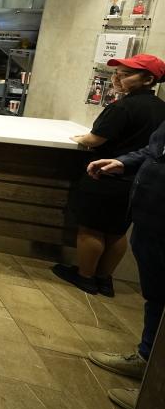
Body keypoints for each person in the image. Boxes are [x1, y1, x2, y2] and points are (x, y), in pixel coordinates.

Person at [55, 54, 165, 296]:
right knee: (116, 231)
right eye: (117, 73)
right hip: (137, 179)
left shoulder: (123, 106)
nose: (117, 78)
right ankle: (104, 280)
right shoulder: (161, 108)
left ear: (148, 79)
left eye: (125, 75)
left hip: (105, 175)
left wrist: (79, 139)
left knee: (91, 228)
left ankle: (85, 277)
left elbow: (95, 139)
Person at [85, 115, 165, 409]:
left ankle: (155, 397)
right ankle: (147, 359)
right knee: (156, 296)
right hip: (152, 217)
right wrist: (124, 162)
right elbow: (156, 148)